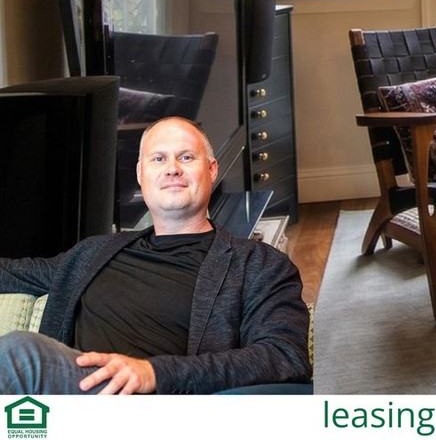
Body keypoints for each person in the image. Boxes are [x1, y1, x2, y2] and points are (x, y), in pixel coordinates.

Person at [0, 117, 311, 394]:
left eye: (186, 157)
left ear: (212, 169)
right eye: (158, 159)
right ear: (140, 174)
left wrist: (155, 373)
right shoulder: (91, 253)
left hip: (165, 409)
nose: (172, 169)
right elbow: (10, 273)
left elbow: (285, 356)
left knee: (20, 355)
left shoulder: (258, 264)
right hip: (69, 399)